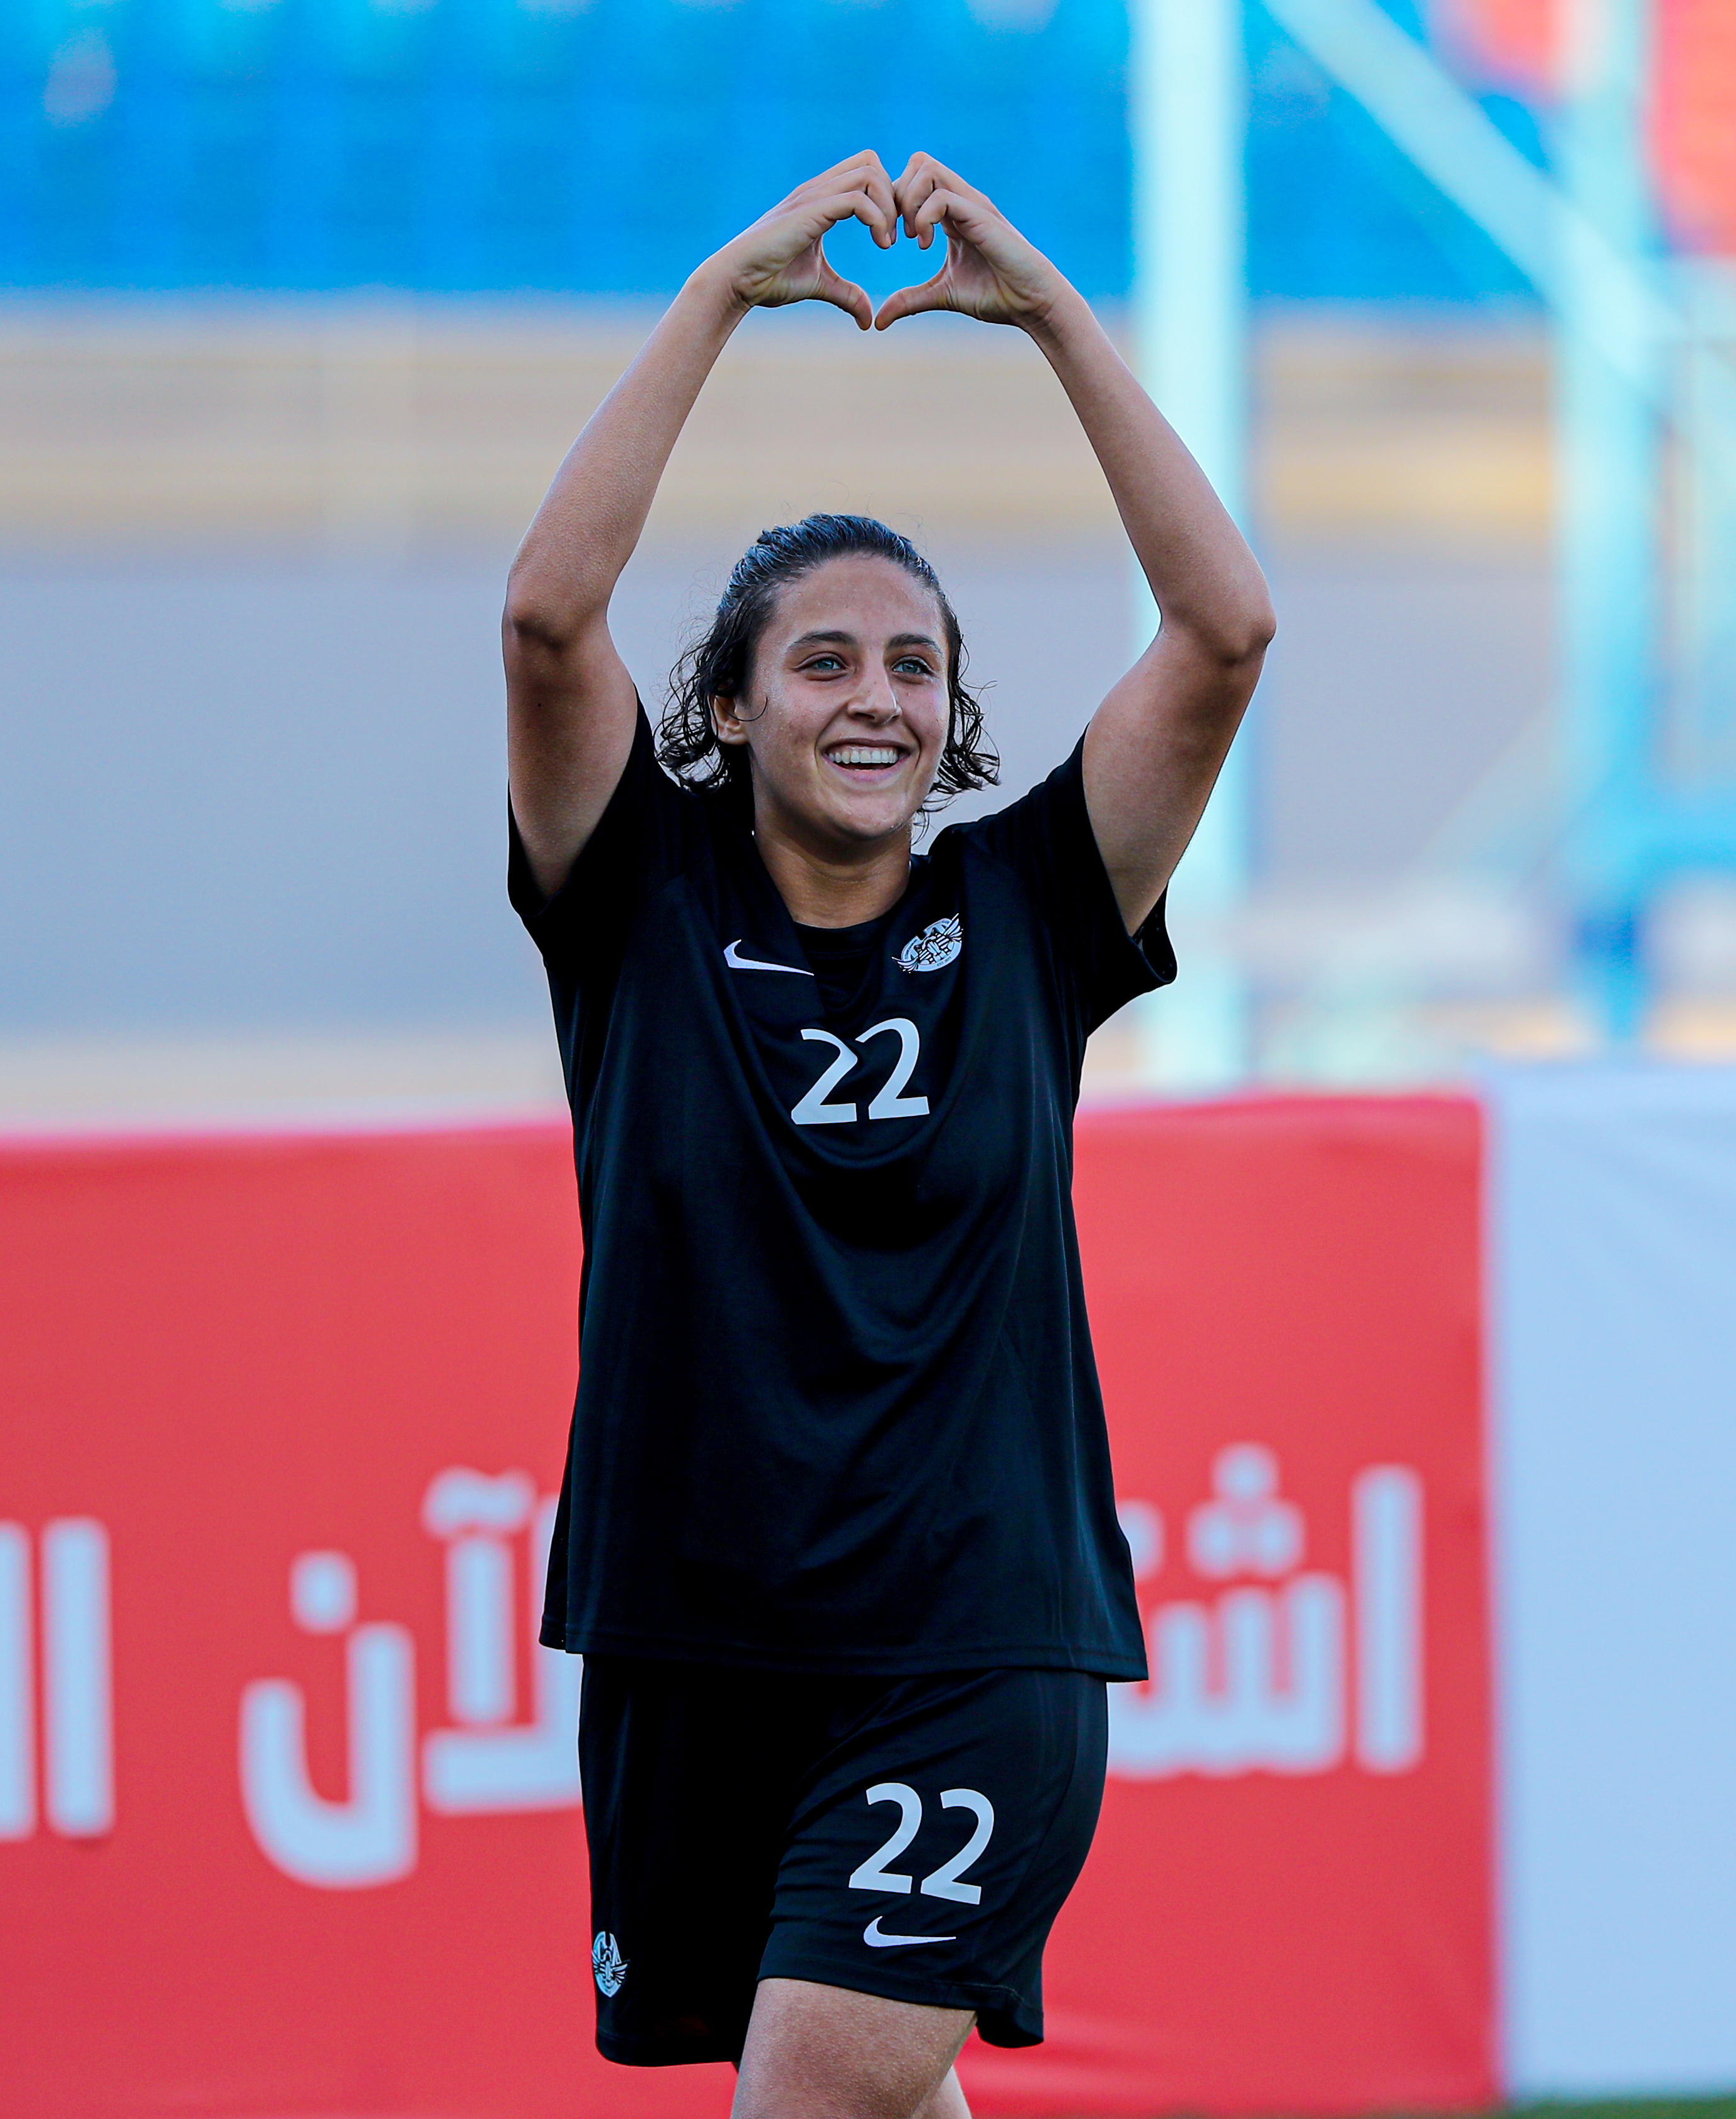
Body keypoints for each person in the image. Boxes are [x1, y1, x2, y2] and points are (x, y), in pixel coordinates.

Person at [502, 150, 1274, 2119]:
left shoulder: (1028, 904)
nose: (875, 696)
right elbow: (542, 616)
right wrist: (721, 294)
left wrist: (1042, 316)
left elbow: (1222, 629)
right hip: (693, 1622)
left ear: (953, 712)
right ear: (736, 708)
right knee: (872, 2094)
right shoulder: (637, 895)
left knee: (817, 2084)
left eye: (913, 662)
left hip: (969, 1624)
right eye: (823, 660)